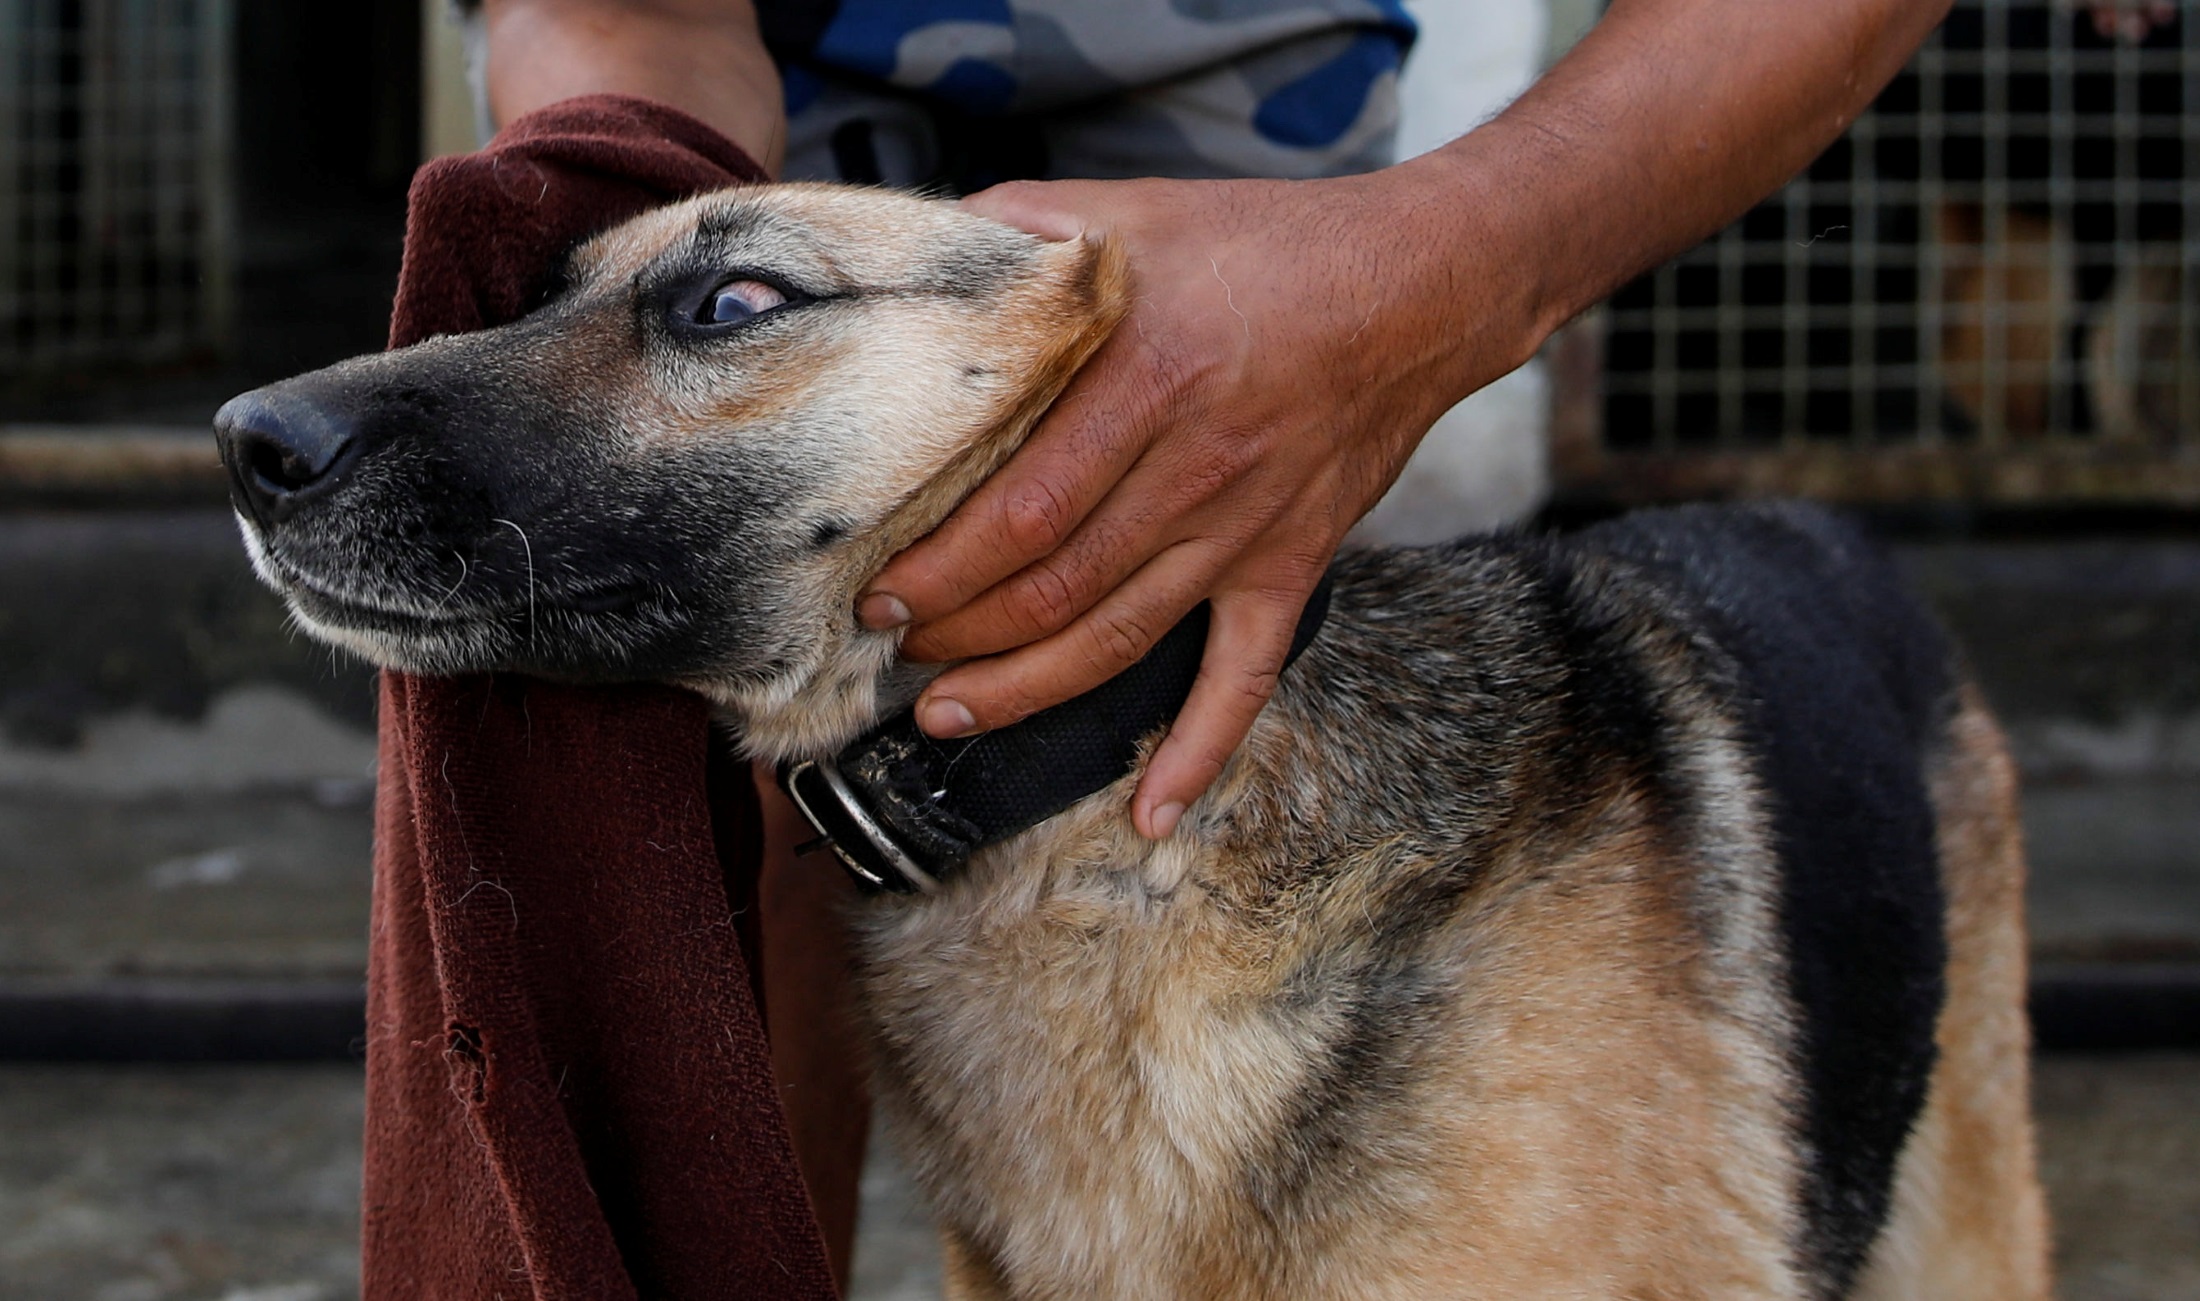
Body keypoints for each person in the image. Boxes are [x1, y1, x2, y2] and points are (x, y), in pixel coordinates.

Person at [469, 0, 1949, 835]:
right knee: (735, 724)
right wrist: (651, 307)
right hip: (755, 33)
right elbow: (616, 11)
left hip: (1246, 31)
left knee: (1198, 673)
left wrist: (1437, 271)